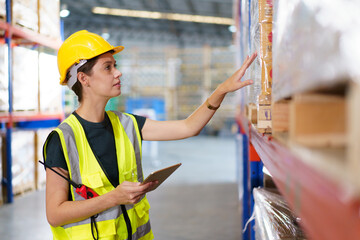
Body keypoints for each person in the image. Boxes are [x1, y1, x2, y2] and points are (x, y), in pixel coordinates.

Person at [42, 30, 257, 240]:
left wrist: (220, 91)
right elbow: (55, 213)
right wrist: (113, 198)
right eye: (108, 67)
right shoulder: (62, 140)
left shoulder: (127, 123)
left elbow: (188, 127)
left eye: (115, 65)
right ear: (84, 79)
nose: (118, 72)